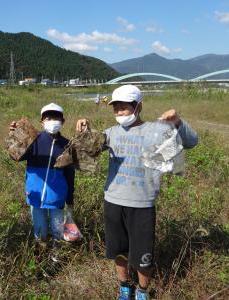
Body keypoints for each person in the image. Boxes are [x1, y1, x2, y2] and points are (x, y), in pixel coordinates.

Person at [76, 85, 198, 300]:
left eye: (124, 108)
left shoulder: (156, 130)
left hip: (142, 203)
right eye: (116, 109)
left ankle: (142, 291)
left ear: (138, 106)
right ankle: (124, 286)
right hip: (113, 200)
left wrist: (177, 120)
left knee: (143, 255)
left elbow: (191, 142)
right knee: (118, 250)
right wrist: (84, 132)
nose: (120, 113)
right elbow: (85, 154)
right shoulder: (110, 134)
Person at [9, 103, 75, 250]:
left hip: (57, 197)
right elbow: (16, 157)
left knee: (58, 231)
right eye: (49, 118)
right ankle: (41, 255)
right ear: (42, 121)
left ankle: (57, 257)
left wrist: (70, 201)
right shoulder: (32, 140)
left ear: (63, 122)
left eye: (57, 118)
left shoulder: (67, 145)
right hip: (35, 196)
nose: (53, 121)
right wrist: (15, 137)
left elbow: (70, 175)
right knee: (39, 231)